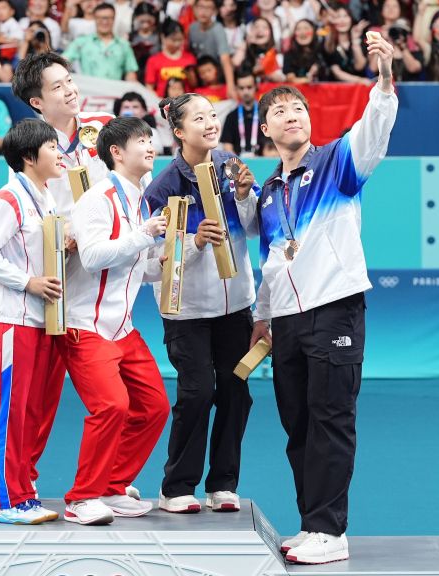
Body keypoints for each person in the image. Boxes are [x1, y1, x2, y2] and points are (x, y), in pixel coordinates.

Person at [249, 32, 398, 565]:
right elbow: (270, 259)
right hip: (286, 320)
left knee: (331, 417)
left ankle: (331, 531)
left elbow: (375, 129)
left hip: (334, 307)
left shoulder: (339, 161)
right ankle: (312, 524)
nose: (293, 116)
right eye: (281, 112)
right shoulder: (268, 194)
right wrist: (262, 316)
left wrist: (382, 78)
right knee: (298, 424)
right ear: (264, 128)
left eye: (299, 109)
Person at [143, 92, 259, 516]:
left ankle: (223, 484)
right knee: (197, 392)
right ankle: (176, 486)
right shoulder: (163, 187)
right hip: (187, 312)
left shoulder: (232, 168)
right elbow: (148, 262)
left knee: (235, 390)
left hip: (236, 307)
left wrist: (246, 196)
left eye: (213, 115)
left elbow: (259, 226)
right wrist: (192, 243)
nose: (211, 123)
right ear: (178, 131)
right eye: (199, 118)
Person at [11, 52, 117, 497]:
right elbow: (34, 211)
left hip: (106, 285)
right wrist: (69, 232)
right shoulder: (29, 146)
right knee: (40, 399)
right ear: (37, 102)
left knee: (123, 397)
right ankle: (19, 487)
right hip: (58, 283)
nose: (70, 90)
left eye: (70, 80)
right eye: (57, 87)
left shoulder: (103, 128)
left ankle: (112, 481)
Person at [60, 116, 171, 525]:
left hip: (121, 328)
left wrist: (177, 255)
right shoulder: (97, 199)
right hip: (85, 326)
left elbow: (139, 266)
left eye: (150, 138)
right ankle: (81, 498)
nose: (150, 145)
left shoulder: (139, 199)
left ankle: (112, 485)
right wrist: (144, 235)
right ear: (116, 153)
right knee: (111, 405)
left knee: (154, 406)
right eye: (140, 140)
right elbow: (91, 258)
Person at [0, 119, 63, 525]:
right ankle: (5, 500)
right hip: (10, 320)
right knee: (11, 410)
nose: (59, 154)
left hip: (40, 320)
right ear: (29, 157)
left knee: (32, 411)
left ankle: (23, 489)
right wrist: (28, 282)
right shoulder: (7, 199)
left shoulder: (46, 197)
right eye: (51, 147)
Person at [63, 3, 139, 81]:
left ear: (114, 19)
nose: (104, 22)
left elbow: (131, 75)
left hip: (113, 91)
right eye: (100, 18)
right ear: (94, 19)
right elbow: (62, 62)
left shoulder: (124, 45)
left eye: (108, 18)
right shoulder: (81, 42)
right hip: (88, 91)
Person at [187, 0, 236, 98]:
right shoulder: (192, 28)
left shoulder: (218, 29)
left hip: (217, 78)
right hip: (200, 77)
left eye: (208, 8)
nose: (204, 12)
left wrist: (231, 86)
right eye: (201, 7)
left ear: (215, 11)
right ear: (195, 8)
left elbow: (225, 59)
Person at [144, 19, 196, 97]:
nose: (177, 43)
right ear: (163, 37)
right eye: (173, 40)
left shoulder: (190, 58)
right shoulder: (153, 60)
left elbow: (194, 85)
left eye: (180, 39)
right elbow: (149, 87)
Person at [322, 3, 371, 83]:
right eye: (337, 17)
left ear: (351, 18)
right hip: (336, 90)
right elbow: (336, 72)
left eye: (345, 16)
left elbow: (359, 66)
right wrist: (359, 80)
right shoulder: (328, 43)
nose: (342, 20)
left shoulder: (359, 39)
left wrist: (355, 40)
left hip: (359, 90)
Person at [220, 68, 263, 156]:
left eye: (249, 87)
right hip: (237, 166)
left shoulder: (265, 114)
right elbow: (227, 147)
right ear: (236, 89)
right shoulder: (231, 116)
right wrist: (237, 165)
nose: (245, 92)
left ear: (256, 87)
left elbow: (272, 144)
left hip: (263, 163)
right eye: (241, 88)